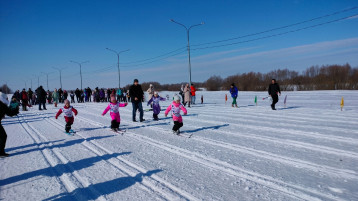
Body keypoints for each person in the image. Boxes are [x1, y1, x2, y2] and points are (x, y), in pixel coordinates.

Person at [0, 91, 19, 157]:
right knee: (3, 136)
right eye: (6, 99)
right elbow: (10, 113)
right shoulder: (2, 105)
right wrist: (16, 109)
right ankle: (1, 152)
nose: (7, 100)